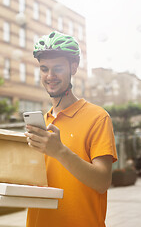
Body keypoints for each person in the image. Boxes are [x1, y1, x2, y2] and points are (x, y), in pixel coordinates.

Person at [24, 31, 118, 227]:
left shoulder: (97, 117)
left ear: (73, 68)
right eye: (44, 69)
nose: (50, 76)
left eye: (57, 68)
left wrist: (59, 151)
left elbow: (102, 182)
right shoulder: (42, 122)